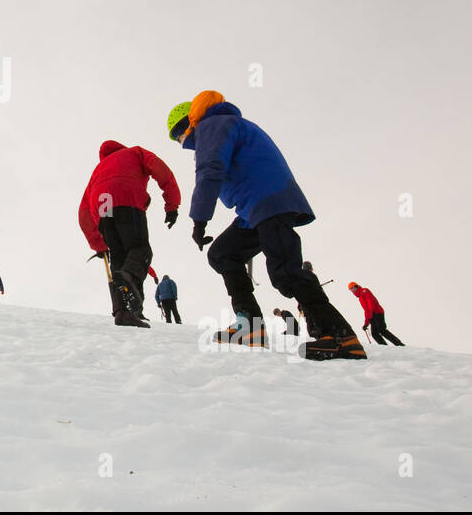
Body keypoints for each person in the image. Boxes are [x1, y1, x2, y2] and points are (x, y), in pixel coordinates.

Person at [167, 92, 364, 360]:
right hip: (257, 209)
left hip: (269, 203)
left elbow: (210, 169)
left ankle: (340, 336)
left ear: (185, 125)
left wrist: (199, 220)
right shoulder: (227, 124)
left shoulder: (211, 126)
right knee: (222, 253)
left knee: (285, 271)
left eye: (176, 136)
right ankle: (249, 325)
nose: (180, 143)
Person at [78, 140, 181, 328]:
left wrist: (99, 245)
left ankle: (123, 312)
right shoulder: (135, 153)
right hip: (126, 197)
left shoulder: (97, 171)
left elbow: (83, 211)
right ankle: (130, 287)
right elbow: (162, 171)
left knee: (119, 259)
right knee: (140, 250)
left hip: (102, 209)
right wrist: (172, 204)